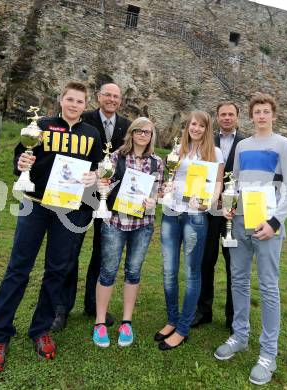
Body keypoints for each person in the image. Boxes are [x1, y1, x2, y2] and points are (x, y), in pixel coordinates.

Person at [0, 81, 102, 374]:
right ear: (61, 100)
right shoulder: (42, 126)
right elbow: (19, 158)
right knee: (18, 268)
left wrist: (94, 178)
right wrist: (21, 163)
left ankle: (41, 328)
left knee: (57, 270)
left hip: (69, 210)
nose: (74, 105)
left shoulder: (92, 134)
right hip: (34, 205)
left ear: (85, 105)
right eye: (70, 99)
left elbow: (99, 167)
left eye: (79, 101)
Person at [214, 93, 287, 386]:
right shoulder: (243, 147)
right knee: (237, 280)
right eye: (257, 112)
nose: (261, 116)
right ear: (251, 116)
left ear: (273, 114)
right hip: (239, 223)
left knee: (268, 287)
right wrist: (229, 203)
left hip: (268, 226)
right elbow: (234, 183)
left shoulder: (283, 145)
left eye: (266, 111)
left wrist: (275, 222)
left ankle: (268, 353)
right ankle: (239, 335)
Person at [51, 83, 131, 331]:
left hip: (110, 199)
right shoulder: (82, 119)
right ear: (97, 97)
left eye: (116, 96)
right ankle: (61, 308)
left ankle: (93, 303)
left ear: (121, 101)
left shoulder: (127, 126)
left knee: (102, 253)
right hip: (80, 195)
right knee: (70, 251)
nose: (111, 99)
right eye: (107, 95)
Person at [92, 117, 164, 347]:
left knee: (133, 272)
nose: (143, 135)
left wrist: (154, 200)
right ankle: (100, 322)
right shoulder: (116, 157)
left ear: (152, 136)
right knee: (108, 271)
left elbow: (158, 191)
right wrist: (103, 186)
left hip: (142, 225)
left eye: (148, 132)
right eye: (139, 131)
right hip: (115, 222)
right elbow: (105, 182)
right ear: (131, 133)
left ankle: (127, 321)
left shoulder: (157, 162)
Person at [156, 111, 224, 350]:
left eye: (201, 126)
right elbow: (171, 177)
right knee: (168, 271)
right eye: (193, 124)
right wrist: (165, 187)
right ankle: (172, 319)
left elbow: (217, 184)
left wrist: (210, 202)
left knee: (191, 273)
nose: (196, 129)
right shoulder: (179, 150)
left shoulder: (215, 153)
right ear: (188, 126)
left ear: (207, 129)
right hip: (171, 213)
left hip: (195, 217)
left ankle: (183, 328)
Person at [192, 101, 244, 331]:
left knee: (235, 264)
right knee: (206, 260)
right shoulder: (207, 141)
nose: (226, 118)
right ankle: (204, 311)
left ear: (237, 117)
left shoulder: (246, 144)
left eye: (230, 114)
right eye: (222, 114)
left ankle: (233, 316)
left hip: (235, 211)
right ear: (217, 117)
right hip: (211, 211)